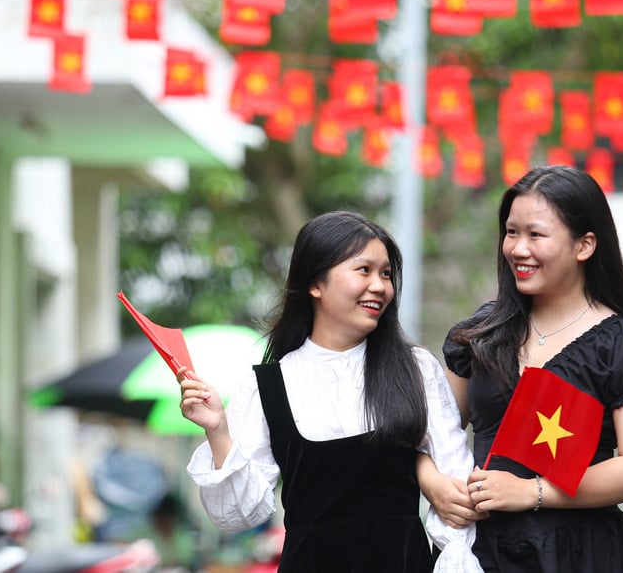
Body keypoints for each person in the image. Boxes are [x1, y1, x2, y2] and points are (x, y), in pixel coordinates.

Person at [178, 210, 481, 572]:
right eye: (364, 270)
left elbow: (457, 485)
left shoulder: (415, 368)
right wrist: (218, 431)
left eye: (386, 273)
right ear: (315, 284)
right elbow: (239, 515)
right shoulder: (269, 386)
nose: (380, 286)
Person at [419, 165, 623, 571]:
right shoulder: (482, 333)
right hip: (483, 552)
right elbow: (430, 434)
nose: (518, 249)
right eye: (511, 232)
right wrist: (433, 484)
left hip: (582, 554)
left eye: (536, 235)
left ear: (585, 245)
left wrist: (533, 492)